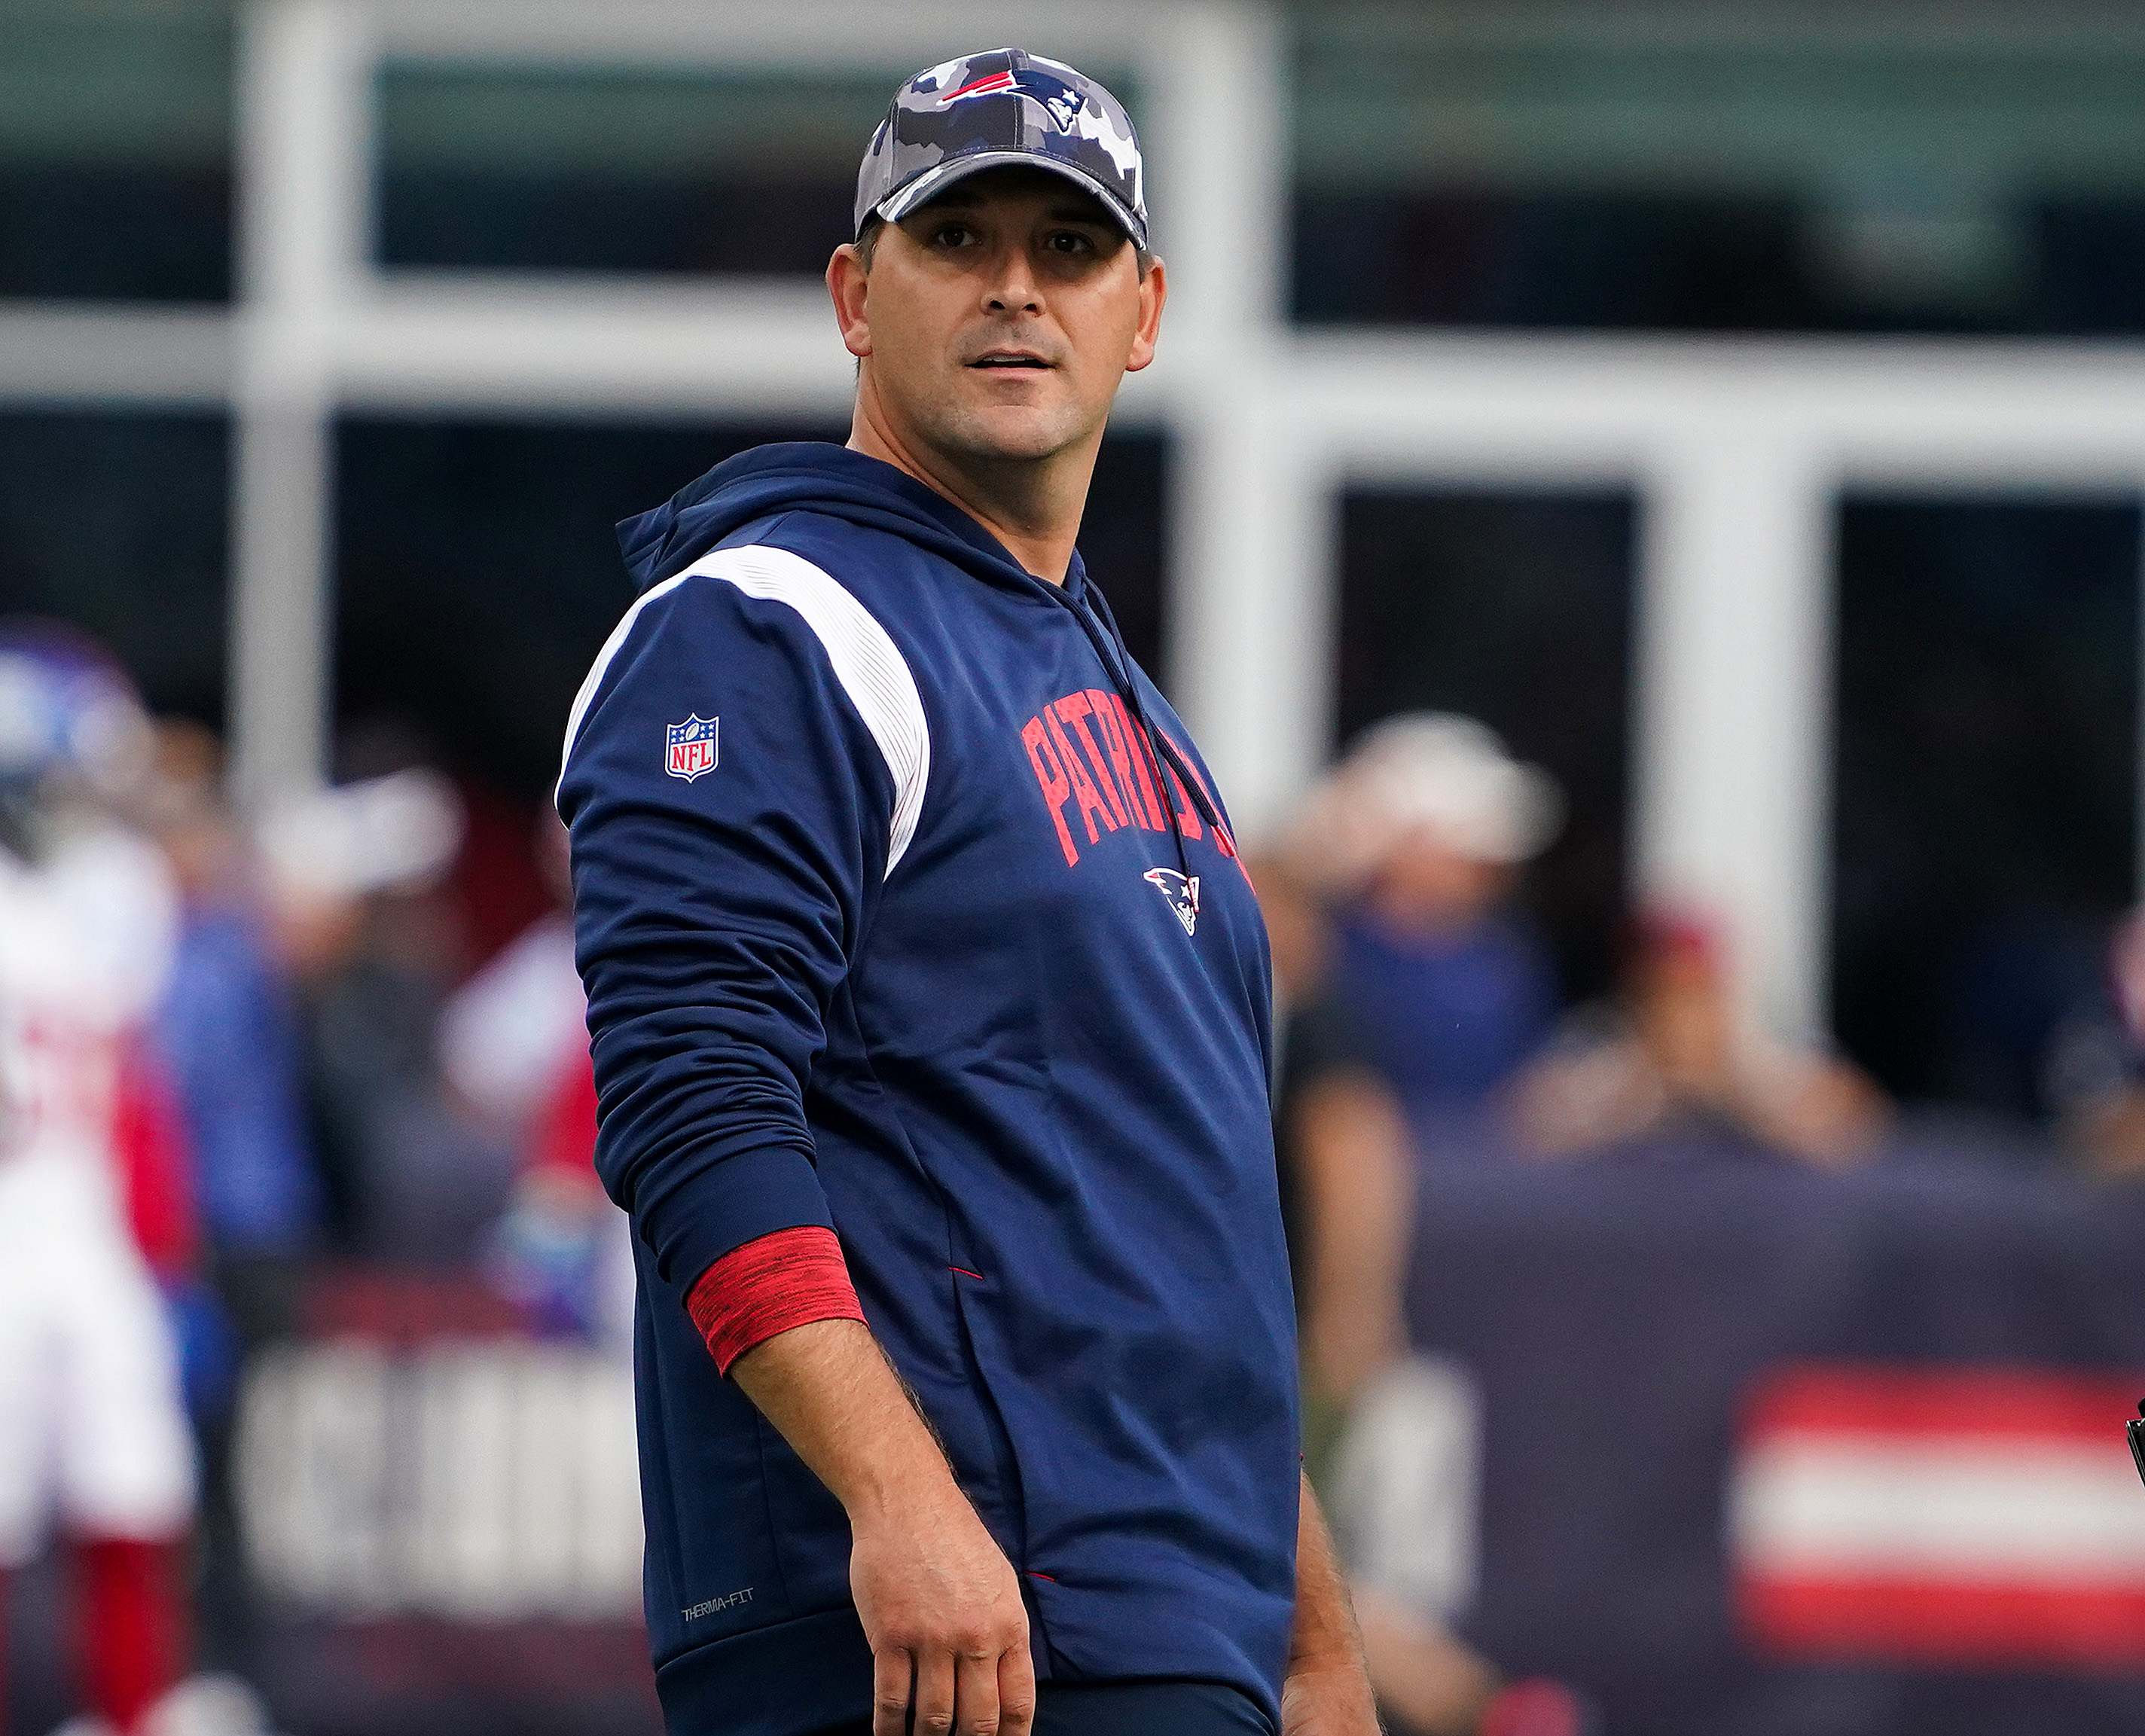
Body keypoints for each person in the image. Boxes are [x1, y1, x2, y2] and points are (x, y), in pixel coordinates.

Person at [558, 49, 1376, 1736]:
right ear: (857, 296)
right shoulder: (769, 624)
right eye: (958, 240)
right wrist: (897, 1503)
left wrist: (1310, 1641)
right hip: (945, 1639)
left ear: (1141, 313)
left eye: (1068, 251)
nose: (1016, 289)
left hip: (1163, 1627)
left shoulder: (1119, 699)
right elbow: (694, 1112)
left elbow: (1186, 1226)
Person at [0, 628, 195, 1734]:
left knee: (135, 1496)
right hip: (17, 1242)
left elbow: (133, 1085)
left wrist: (162, 1243)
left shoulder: (102, 895)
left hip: (87, 1241)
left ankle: (133, 1716)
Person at [1286, 715, 1562, 1164]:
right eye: (1462, 846)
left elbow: (1525, 1095)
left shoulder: (1507, 954)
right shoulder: (1323, 953)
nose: (1486, 870)